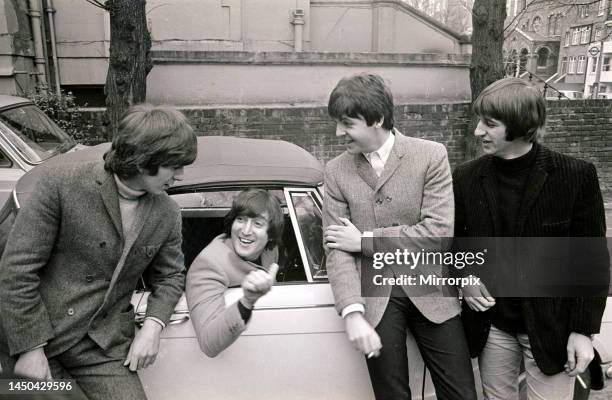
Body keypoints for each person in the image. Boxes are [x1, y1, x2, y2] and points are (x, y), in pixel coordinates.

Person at [0, 104, 197, 400]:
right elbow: (16, 270)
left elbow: (170, 277)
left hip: (102, 348)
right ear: (144, 160)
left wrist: (153, 326)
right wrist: (30, 348)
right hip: (38, 338)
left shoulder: (167, 213)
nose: (180, 175)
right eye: (174, 165)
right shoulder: (60, 185)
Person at [322, 73, 477, 400]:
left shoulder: (431, 155)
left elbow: (437, 234)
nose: (338, 133)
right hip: (375, 299)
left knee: (462, 394)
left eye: (347, 123)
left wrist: (365, 241)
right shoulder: (336, 171)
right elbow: (336, 248)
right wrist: (351, 311)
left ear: (377, 119)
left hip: (432, 292)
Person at [454, 77, 610, 399]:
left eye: (489, 123)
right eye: (479, 120)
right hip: (492, 326)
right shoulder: (466, 177)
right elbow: (456, 242)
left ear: (523, 126)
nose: (478, 131)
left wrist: (583, 331)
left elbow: (591, 260)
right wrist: (465, 277)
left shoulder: (575, 176)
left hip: (553, 328)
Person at [186, 189, 283, 357]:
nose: (245, 230)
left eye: (257, 223)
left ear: (271, 236)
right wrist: (247, 301)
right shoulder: (209, 264)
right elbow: (208, 342)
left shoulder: (270, 250)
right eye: (240, 219)